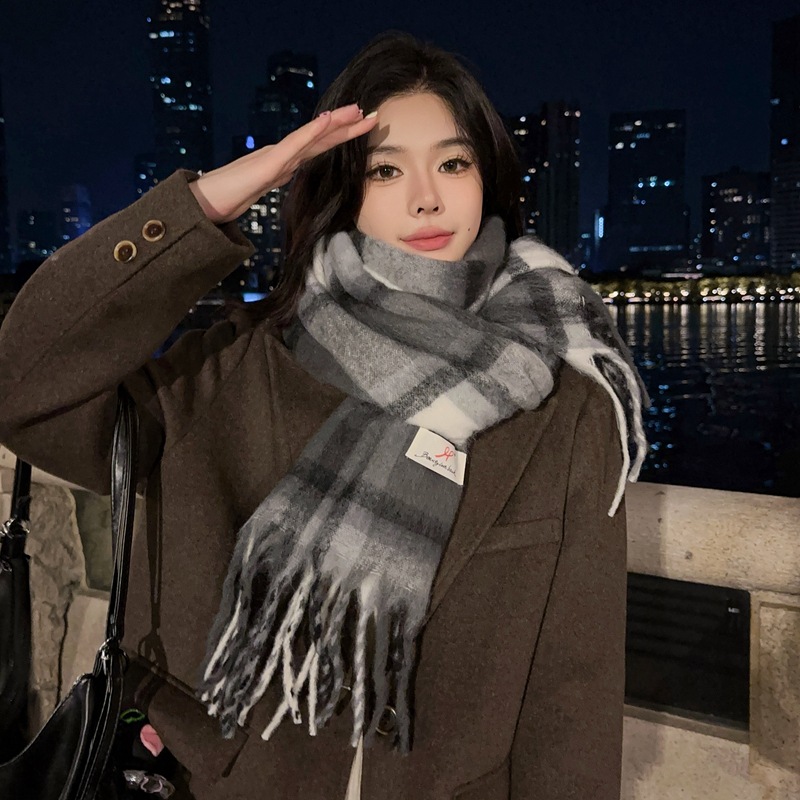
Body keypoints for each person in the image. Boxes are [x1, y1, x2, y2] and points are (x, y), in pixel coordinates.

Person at [0, 31, 647, 800]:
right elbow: (25, 386)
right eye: (385, 169)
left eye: (453, 163)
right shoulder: (238, 368)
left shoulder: (568, 404)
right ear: (343, 185)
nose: (426, 198)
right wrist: (204, 204)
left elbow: (572, 700)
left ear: (489, 177)